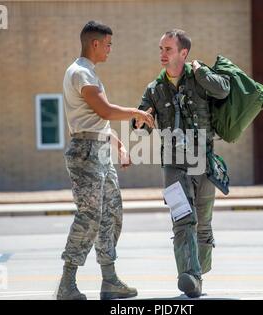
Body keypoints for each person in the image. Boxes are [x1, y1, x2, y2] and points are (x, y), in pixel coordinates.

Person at [57, 20, 154, 300]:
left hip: (99, 150)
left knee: (111, 213)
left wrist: (119, 145)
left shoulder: (89, 72)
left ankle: (109, 281)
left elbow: (97, 120)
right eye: (108, 44)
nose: (110, 49)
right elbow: (105, 110)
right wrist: (137, 113)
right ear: (95, 43)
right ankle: (67, 283)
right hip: (85, 153)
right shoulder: (80, 73)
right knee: (89, 216)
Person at [133, 29, 230, 298]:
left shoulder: (200, 78)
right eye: (161, 49)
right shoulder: (154, 89)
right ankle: (189, 275)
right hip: (173, 164)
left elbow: (223, 91)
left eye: (168, 49)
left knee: (203, 225)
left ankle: (199, 271)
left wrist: (202, 73)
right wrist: (140, 121)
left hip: (204, 161)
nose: (162, 54)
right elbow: (140, 127)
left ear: (183, 53)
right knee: (182, 219)